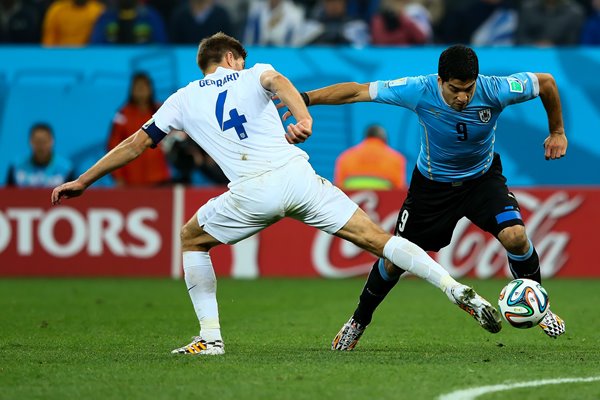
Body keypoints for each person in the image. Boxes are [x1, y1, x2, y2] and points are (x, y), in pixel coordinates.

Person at [51, 33, 501, 356]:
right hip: (298, 176)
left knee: (191, 239)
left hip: (251, 191)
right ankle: (454, 287)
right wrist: (302, 117)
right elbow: (280, 85)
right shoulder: (255, 72)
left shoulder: (181, 99)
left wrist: (84, 180)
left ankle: (210, 338)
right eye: (240, 58)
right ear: (229, 56)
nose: (244, 63)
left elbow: (136, 143)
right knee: (382, 241)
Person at [286, 44, 567, 349]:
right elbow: (357, 91)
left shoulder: (496, 88)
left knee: (516, 237)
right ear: (440, 81)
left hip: (482, 180)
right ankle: (358, 320)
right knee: (395, 260)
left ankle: (538, 304)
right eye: (456, 90)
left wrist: (557, 131)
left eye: (469, 89)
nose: (463, 97)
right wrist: (305, 99)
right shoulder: (417, 89)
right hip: (432, 190)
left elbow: (547, 83)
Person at [107, 72, 171, 186]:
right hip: (130, 180)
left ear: (150, 88)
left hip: (160, 180)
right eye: (137, 86)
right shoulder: (122, 115)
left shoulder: (161, 110)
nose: (141, 90)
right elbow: (113, 146)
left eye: (144, 86)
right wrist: (118, 176)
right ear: (131, 90)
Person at [334, 124, 407, 190]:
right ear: (385, 139)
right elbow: (399, 190)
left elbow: (338, 188)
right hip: (385, 202)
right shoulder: (396, 158)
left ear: (365, 137)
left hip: (352, 200)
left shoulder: (345, 157)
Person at [7, 123, 75, 187]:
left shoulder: (66, 169)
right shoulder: (16, 167)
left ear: (52, 141)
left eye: (44, 142)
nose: (41, 146)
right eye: (37, 142)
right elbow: (8, 195)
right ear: (30, 142)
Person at [89, 0, 167, 45]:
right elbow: (96, 46)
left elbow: (161, 45)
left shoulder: (150, 16)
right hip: (112, 62)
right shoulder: (106, 18)